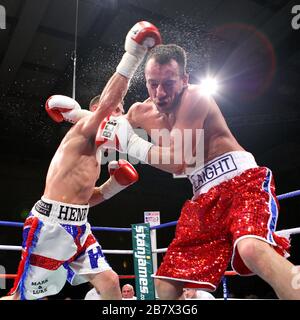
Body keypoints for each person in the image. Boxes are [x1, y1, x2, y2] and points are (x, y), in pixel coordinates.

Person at [95, 44, 300, 300]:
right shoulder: (140, 111)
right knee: (165, 286)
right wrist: (75, 114)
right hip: (202, 195)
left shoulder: (195, 98)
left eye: (169, 83)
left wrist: (131, 143)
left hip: (240, 181)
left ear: (184, 79)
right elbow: (103, 124)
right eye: (153, 83)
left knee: (251, 249)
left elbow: (180, 161)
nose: (160, 92)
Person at [0, 21, 161, 300]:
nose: (119, 116)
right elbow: (110, 103)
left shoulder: (94, 153)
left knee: (111, 282)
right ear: (97, 109)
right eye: (116, 110)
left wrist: (113, 186)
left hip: (79, 226)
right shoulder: (84, 129)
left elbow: (87, 199)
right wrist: (134, 54)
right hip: (48, 226)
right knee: (21, 298)